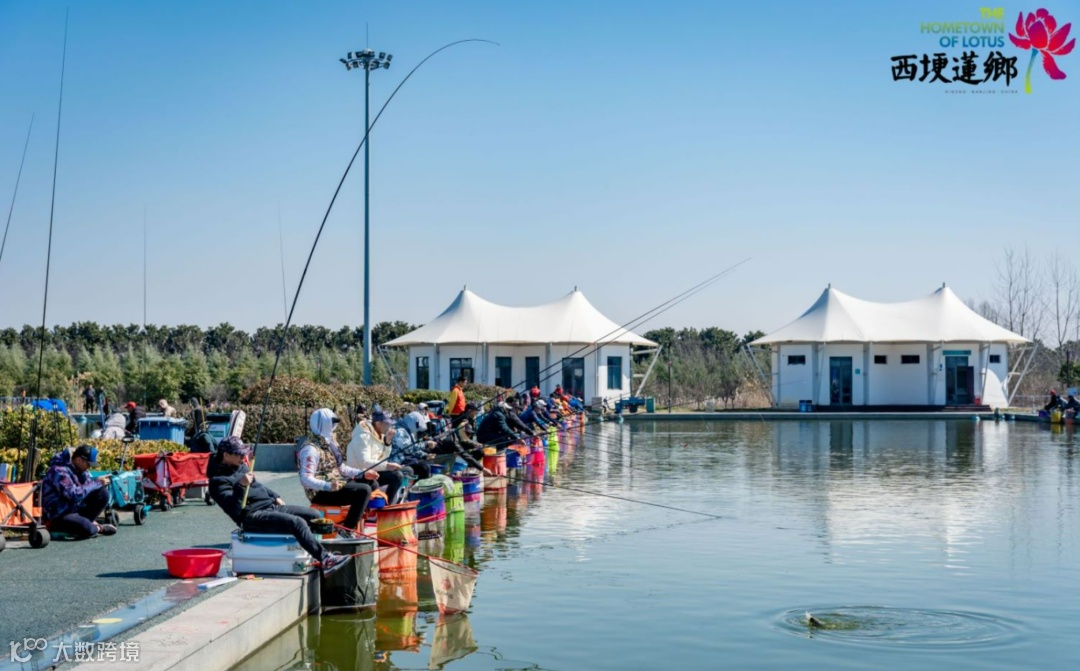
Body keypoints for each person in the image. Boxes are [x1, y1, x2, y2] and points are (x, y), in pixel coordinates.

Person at [208, 436, 350, 574]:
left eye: (243, 453)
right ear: (226, 455)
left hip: (269, 505)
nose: (242, 457)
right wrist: (241, 486)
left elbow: (257, 485)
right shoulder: (217, 482)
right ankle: (326, 559)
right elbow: (234, 509)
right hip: (251, 516)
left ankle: (318, 552)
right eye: (239, 454)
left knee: (314, 515)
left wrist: (275, 496)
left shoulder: (240, 467)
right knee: (297, 523)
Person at [299, 408, 373, 533]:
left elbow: (341, 468)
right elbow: (305, 479)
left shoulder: (329, 442)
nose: (333, 426)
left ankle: (358, 519)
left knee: (371, 483)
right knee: (364, 490)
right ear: (323, 424)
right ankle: (347, 530)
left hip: (337, 484)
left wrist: (362, 474)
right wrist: (327, 486)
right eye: (331, 423)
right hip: (320, 493)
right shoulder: (310, 449)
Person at [41, 445, 117, 539]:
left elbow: (88, 489)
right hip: (58, 515)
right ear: (79, 460)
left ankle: (87, 523)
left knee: (103, 493)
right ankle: (98, 528)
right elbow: (73, 494)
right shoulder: (58, 471)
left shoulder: (82, 471)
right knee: (87, 529)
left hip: (73, 509)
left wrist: (98, 484)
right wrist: (97, 482)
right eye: (88, 464)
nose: (89, 467)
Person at [345, 408, 408, 504]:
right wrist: (387, 466)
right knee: (396, 476)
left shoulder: (379, 435)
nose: (390, 427)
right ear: (378, 423)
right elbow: (364, 462)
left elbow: (382, 458)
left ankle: (389, 504)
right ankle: (386, 505)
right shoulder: (363, 437)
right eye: (387, 424)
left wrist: (387, 443)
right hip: (360, 475)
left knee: (399, 474)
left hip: (372, 472)